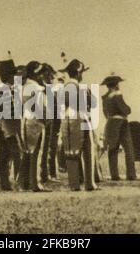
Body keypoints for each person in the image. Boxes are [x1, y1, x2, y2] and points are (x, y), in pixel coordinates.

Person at [59, 59, 99, 191]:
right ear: (78, 72)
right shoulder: (81, 87)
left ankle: (74, 184)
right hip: (81, 118)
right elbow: (92, 102)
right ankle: (89, 183)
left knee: (71, 151)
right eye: (81, 72)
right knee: (87, 150)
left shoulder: (63, 87)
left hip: (66, 119)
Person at [18, 61, 52, 192]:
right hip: (36, 121)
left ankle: (23, 182)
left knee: (27, 152)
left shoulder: (24, 87)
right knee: (36, 153)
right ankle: (35, 183)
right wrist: (46, 118)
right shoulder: (36, 88)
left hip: (26, 120)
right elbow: (40, 107)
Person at [0, 56, 22, 191]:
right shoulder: (5, 91)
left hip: (5, 127)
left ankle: (6, 182)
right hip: (7, 127)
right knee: (13, 154)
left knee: (6, 155)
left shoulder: (5, 90)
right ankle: (14, 181)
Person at [101, 72, 136, 181]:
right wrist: (128, 109)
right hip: (122, 122)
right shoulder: (117, 94)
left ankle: (114, 175)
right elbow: (125, 109)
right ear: (116, 84)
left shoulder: (105, 98)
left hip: (111, 122)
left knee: (113, 149)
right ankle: (131, 174)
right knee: (128, 148)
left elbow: (105, 112)